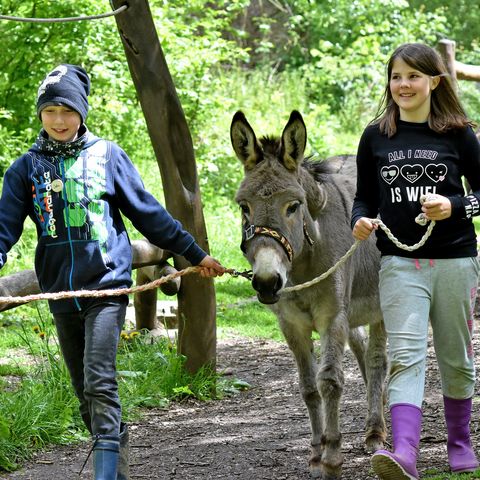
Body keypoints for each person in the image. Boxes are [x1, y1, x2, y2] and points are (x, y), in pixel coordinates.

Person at [0, 64, 225, 480]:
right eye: (50, 111)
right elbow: (2, 230)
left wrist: (194, 254)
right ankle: (114, 449)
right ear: (40, 115)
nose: (59, 120)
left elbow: (150, 215)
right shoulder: (24, 169)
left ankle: (105, 475)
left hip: (105, 288)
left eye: (67, 110)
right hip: (60, 295)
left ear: (82, 111)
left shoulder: (108, 156)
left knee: (100, 381)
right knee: (84, 395)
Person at [351, 43, 480, 480]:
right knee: (405, 355)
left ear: (434, 81)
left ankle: (460, 443)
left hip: (455, 262)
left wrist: (454, 206)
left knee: (455, 357)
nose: (403, 84)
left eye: (413, 76)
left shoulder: (459, 133)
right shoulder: (375, 136)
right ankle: (404, 451)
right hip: (399, 264)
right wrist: (360, 221)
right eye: (396, 76)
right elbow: (364, 196)